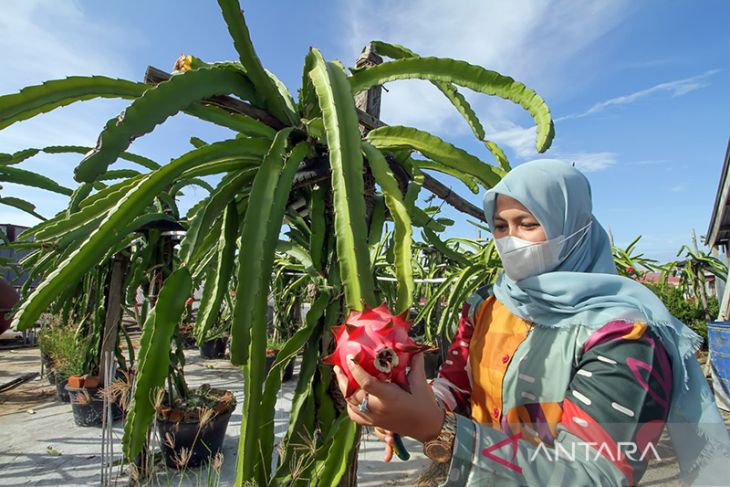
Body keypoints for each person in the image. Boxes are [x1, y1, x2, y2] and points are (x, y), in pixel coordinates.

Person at [334, 160, 730, 486]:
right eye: (500, 226)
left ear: (570, 227)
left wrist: (439, 430)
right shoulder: (486, 307)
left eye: (527, 223)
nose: (510, 240)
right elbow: (457, 382)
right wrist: (410, 406)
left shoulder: (625, 335)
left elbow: (596, 473)